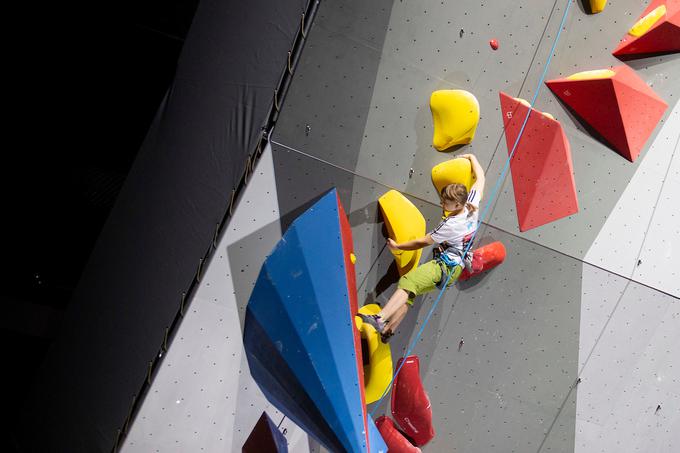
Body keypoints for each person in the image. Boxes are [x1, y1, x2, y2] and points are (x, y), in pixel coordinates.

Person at [359, 153, 485, 342]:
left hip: (444, 266)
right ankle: (388, 331)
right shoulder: (471, 203)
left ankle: (379, 319)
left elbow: (423, 242)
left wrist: (397, 246)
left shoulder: (451, 225)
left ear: (457, 204)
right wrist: (472, 157)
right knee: (411, 292)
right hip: (453, 270)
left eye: (445, 202)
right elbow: (481, 177)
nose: (442, 203)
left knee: (408, 282)